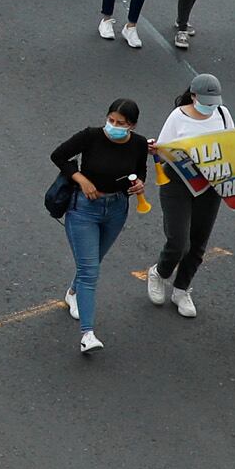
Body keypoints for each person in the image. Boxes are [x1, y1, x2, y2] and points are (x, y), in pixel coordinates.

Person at [52, 97, 149, 355]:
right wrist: (80, 179)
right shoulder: (91, 136)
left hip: (116, 210)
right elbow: (59, 155)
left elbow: (140, 171)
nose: (113, 126)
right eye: (111, 120)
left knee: (94, 261)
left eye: (121, 123)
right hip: (84, 209)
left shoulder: (138, 144)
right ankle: (88, 334)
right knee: (89, 271)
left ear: (132, 125)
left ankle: (73, 292)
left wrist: (139, 184)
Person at [145, 73, 230, 319]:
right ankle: (160, 273)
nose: (210, 106)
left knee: (199, 241)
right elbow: (163, 151)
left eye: (213, 101)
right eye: (205, 100)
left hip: (210, 185)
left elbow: (232, 143)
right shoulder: (177, 117)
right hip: (178, 184)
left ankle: (182, 288)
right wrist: (155, 150)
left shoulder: (223, 114)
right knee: (178, 241)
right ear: (193, 96)